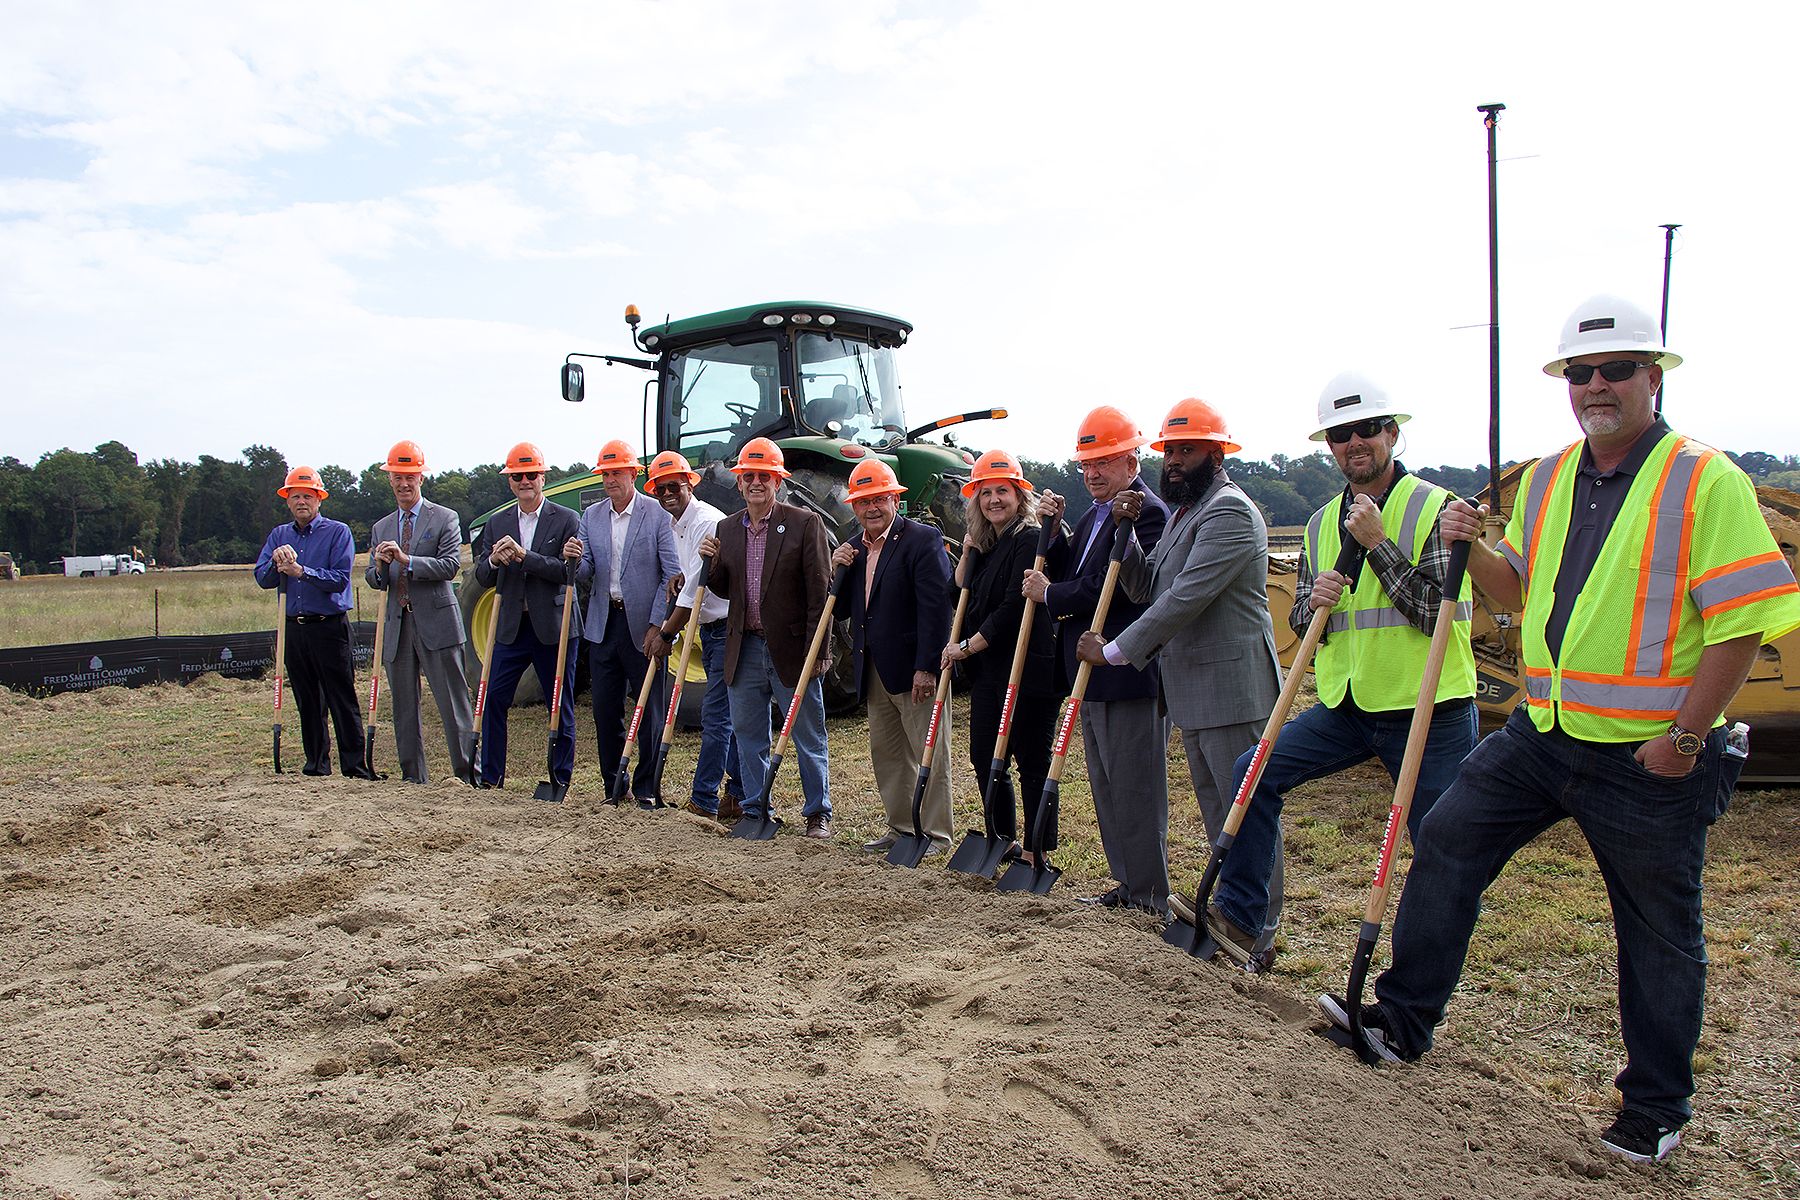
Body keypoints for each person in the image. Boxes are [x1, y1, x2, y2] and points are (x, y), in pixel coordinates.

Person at [1319, 295, 1800, 1166]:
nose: (1596, 385)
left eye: (1616, 369)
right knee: (1449, 836)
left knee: (1656, 927)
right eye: (1581, 373)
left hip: (1651, 756)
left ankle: (1653, 1111)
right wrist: (1476, 544)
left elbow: (1741, 623)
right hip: (1543, 734)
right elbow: (1515, 594)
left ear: (1655, 377)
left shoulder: (1705, 479)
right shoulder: (1545, 480)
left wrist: (1685, 740)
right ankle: (1401, 1020)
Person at [1205, 376, 1477, 965]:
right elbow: (1306, 622)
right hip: (1349, 705)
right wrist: (1313, 605)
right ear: (1328, 445)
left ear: (1392, 434)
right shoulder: (1320, 522)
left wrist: (1378, 546)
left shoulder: (1436, 508)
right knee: (1252, 774)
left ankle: (1410, 989)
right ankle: (1241, 920)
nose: (1354, 442)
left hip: (1428, 709)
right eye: (1339, 434)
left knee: (1441, 846)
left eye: (1366, 430)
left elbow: (1441, 613)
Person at [1075, 399, 1279, 933]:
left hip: (1233, 686)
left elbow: (1185, 598)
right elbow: (1148, 587)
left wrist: (1114, 650)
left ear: (1216, 452)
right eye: (1170, 450)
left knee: (1246, 814)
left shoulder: (1229, 512)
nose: (1174, 461)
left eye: (1187, 450)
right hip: (1192, 688)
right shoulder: (1185, 512)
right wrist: (1125, 532)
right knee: (1218, 812)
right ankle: (1234, 916)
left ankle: (1258, 927)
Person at [1023, 406, 1169, 909]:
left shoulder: (1145, 512)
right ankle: (1127, 884)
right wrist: (1054, 528)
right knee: (1107, 787)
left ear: (1132, 460)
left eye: (1104, 462)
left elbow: (1126, 591)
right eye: (1086, 464)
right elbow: (1070, 567)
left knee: (1135, 788)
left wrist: (1052, 597)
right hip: (1086, 672)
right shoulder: (1092, 515)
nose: (1092, 474)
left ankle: (1148, 892)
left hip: (1125, 670)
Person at [697, 438, 834, 838]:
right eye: (749, 476)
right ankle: (757, 808)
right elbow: (725, 590)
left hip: (793, 648)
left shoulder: (805, 523)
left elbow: (819, 592)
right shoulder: (727, 528)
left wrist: (820, 650)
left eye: (764, 476)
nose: (756, 482)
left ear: (777, 481)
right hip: (745, 647)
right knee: (749, 735)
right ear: (740, 483)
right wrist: (713, 564)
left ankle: (817, 814)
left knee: (808, 733)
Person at [941, 450, 1063, 862]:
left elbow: (1011, 610)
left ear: (1019, 495)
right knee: (985, 756)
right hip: (993, 670)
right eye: (985, 493)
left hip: (1029, 666)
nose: (994, 499)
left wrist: (965, 647)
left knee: (1031, 761)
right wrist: (968, 553)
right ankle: (1003, 837)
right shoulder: (990, 544)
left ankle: (1035, 851)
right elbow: (959, 592)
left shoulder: (1030, 539)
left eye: (1002, 492)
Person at [831, 460, 955, 854]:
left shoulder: (922, 539)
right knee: (888, 754)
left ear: (894, 499)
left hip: (914, 668)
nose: (872, 508)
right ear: (853, 506)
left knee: (929, 750)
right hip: (874, 669)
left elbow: (937, 609)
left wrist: (927, 666)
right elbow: (841, 612)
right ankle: (901, 827)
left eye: (879, 499)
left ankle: (936, 833)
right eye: (863, 501)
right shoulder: (852, 548)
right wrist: (837, 571)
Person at [470, 442, 584, 790]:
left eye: (531, 475)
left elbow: (569, 571)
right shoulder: (497, 522)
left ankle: (559, 778)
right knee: (493, 700)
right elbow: (483, 576)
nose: (525, 481)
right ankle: (491, 778)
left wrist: (523, 556)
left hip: (554, 626)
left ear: (542, 478)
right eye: (517, 476)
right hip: (510, 628)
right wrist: (492, 561)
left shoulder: (566, 519)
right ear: (510, 481)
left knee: (559, 704)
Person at [365, 439, 475, 784]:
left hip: (437, 624)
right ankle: (413, 778)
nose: (403, 483)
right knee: (403, 709)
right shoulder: (381, 528)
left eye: (409, 476)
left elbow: (450, 566)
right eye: (397, 477)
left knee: (453, 703)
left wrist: (406, 560)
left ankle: (467, 774)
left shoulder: (444, 518)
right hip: (398, 627)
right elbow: (373, 578)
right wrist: (381, 566)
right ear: (389, 480)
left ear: (421, 478)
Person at [576, 439, 680, 806]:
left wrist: (657, 625)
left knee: (650, 708)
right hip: (604, 624)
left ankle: (648, 788)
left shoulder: (656, 515)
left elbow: (671, 573)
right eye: (605, 474)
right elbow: (587, 569)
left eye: (617, 473)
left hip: (643, 625)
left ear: (633, 473)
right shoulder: (591, 517)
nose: (610, 480)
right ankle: (613, 786)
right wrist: (574, 561)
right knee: (605, 710)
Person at [254, 466, 375, 779]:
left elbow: (338, 580)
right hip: (295, 627)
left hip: (329, 626)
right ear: (287, 501)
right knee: (307, 699)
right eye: (295, 496)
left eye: (308, 496)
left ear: (320, 499)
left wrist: (301, 571)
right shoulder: (279, 536)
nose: (302, 502)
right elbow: (262, 578)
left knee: (341, 697)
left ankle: (354, 766)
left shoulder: (337, 533)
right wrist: (275, 563)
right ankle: (316, 764)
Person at [643, 450, 745, 819]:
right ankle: (737, 794)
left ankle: (703, 800)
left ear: (689, 483)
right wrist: (683, 575)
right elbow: (696, 579)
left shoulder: (705, 521)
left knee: (716, 716)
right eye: (660, 488)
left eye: (674, 485)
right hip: (713, 626)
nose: (667, 493)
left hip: (726, 629)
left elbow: (694, 596)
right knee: (728, 716)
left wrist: (666, 632)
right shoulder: (677, 524)